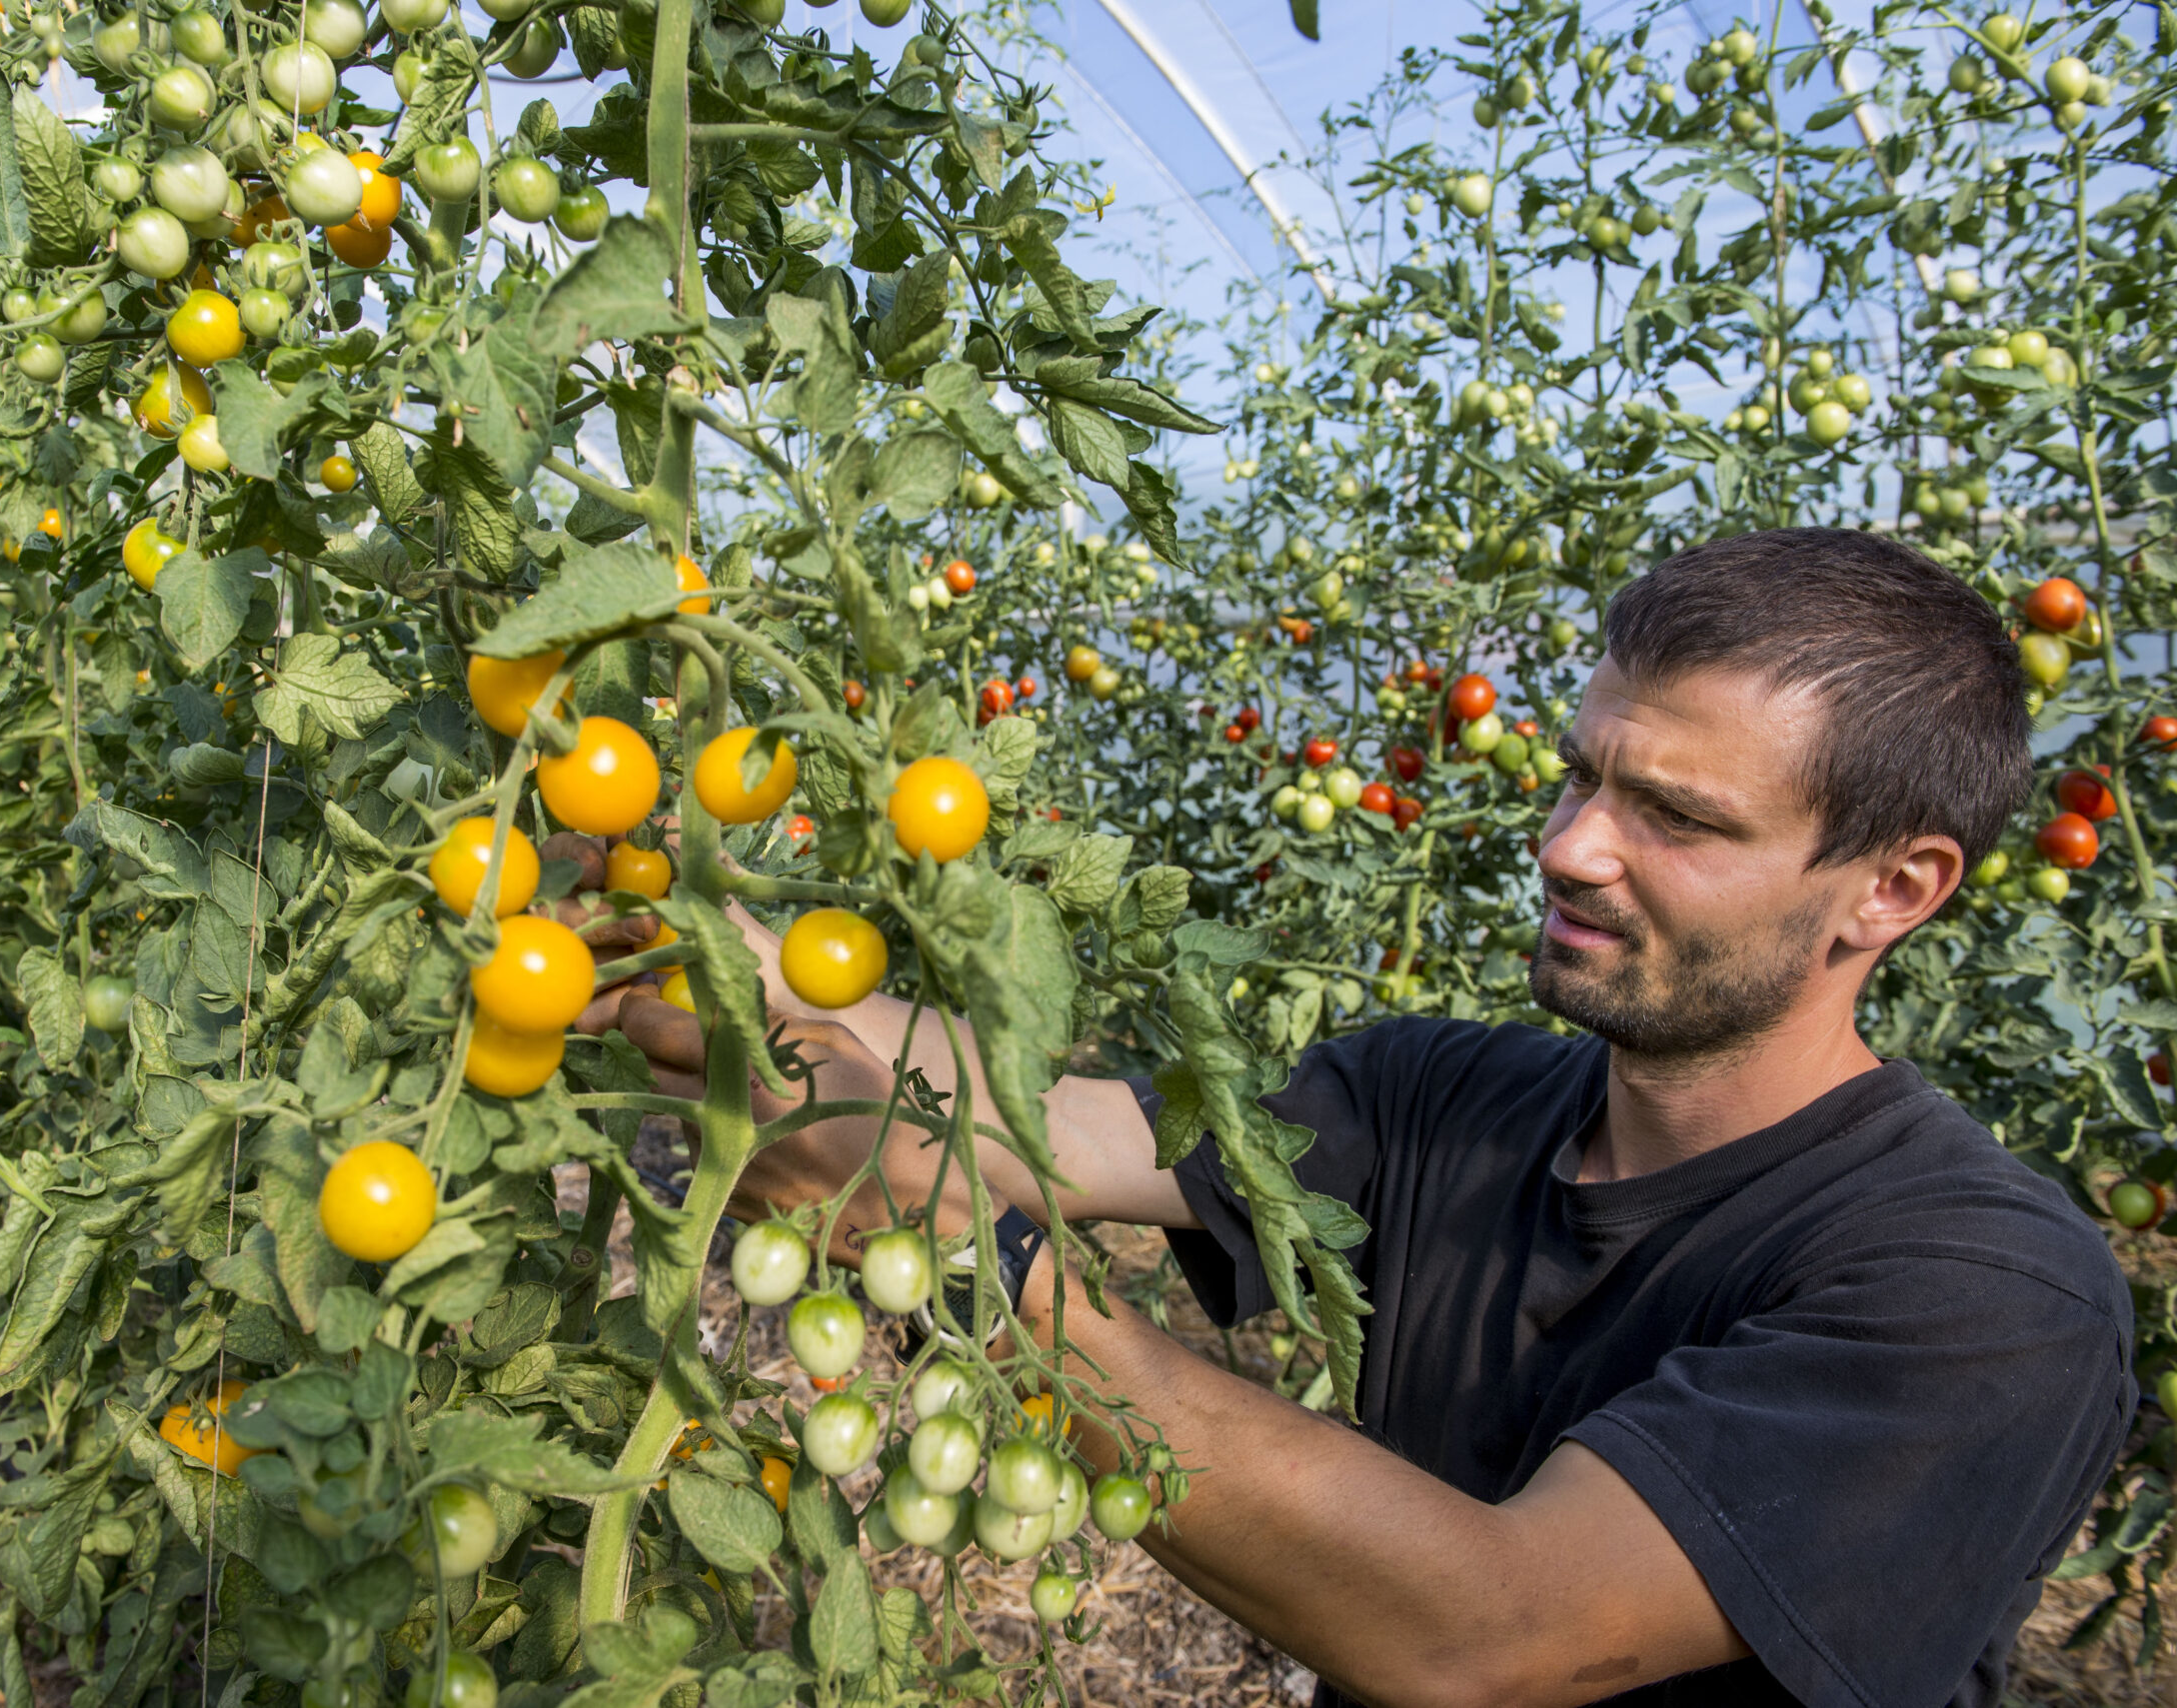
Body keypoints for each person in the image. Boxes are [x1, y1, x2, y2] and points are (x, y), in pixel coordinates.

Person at [590, 528, 2135, 1708]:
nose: (1572, 844)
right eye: (1584, 773)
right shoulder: (1445, 1095)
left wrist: (946, 1251)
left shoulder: (1983, 1293)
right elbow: (1032, 1122)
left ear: (1895, 887)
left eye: (1675, 815)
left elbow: (1490, 1627)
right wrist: (705, 942)